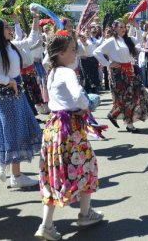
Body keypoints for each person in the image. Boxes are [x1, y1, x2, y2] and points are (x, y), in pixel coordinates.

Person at [35, 32, 103, 240]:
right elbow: (78, 97)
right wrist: (86, 105)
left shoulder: (53, 72)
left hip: (53, 128)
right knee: (88, 167)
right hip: (69, 129)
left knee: (53, 174)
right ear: (61, 53)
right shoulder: (66, 72)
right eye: (72, 49)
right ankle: (84, 213)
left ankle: (47, 224)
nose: (76, 53)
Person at [0, 15, 42, 188]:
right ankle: (15, 175)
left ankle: (9, 171)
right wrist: (8, 81)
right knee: (13, 134)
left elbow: (32, 39)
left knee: (15, 132)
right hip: (7, 95)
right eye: (6, 27)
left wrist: (35, 18)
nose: (10, 29)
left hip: (16, 93)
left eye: (10, 26)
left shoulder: (10, 45)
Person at [93, 20, 148, 133]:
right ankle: (129, 125)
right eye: (120, 27)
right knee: (126, 99)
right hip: (118, 73)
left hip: (129, 71)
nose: (123, 29)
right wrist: (108, 64)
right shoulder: (111, 41)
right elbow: (97, 52)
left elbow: (139, 40)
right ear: (114, 29)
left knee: (140, 95)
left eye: (124, 27)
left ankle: (114, 114)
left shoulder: (128, 39)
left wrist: (136, 27)